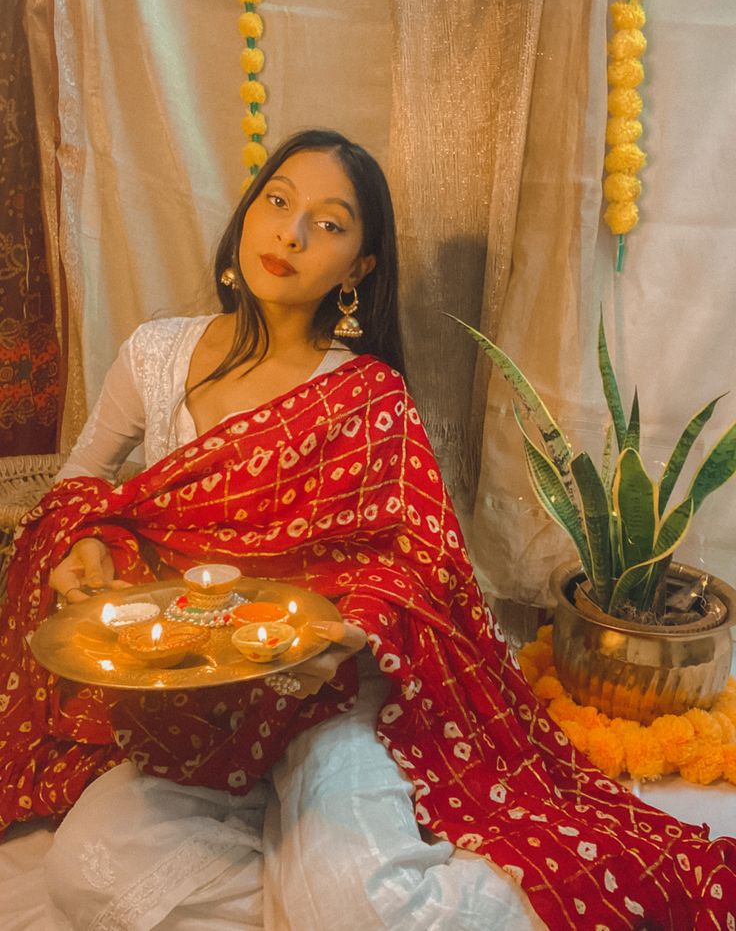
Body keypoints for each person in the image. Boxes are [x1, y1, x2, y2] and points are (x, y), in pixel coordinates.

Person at [0, 130, 733, 930]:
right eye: (278, 202)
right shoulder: (157, 354)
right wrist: (82, 542)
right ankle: (320, 893)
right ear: (247, 215)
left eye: (330, 222)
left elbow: (420, 569)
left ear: (358, 268)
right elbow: (79, 480)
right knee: (83, 873)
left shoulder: (366, 393)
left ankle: (423, 898)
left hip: (331, 685)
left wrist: (339, 638)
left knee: (351, 897)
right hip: (197, 692)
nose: (291, 233)